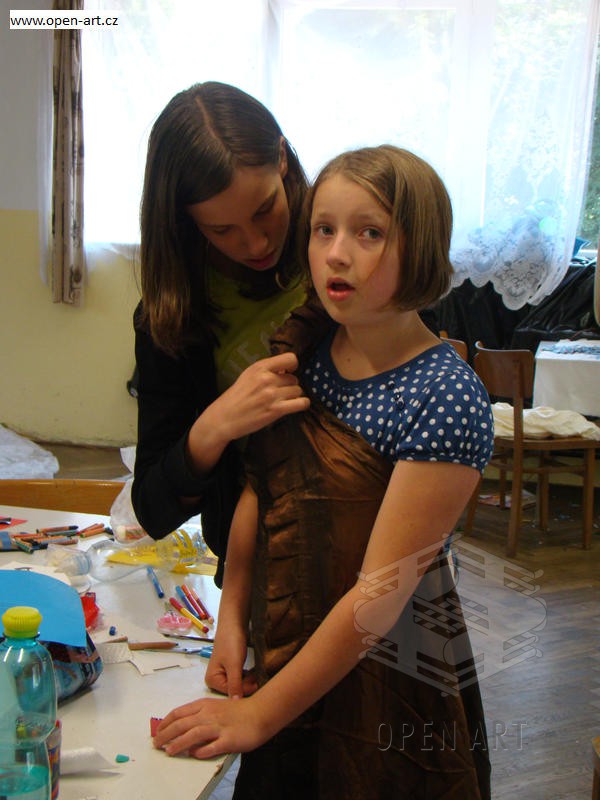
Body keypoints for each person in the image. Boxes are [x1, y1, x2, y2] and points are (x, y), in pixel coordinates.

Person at [153, 145, 494, 799]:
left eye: (369, 233)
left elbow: (380, 595)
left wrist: (258, 715)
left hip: (387, 678)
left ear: (421, 246)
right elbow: (263, 488)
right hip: (286, 642)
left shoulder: (444, 396)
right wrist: (232, 620)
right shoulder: (309, 349)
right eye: (323, 229)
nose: (337, 254)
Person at [131, 82, 311, 586]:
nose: (255, 244)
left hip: (375, 551)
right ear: (185, 221)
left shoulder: (341, 245)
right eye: (221, 230)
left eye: (264, 209)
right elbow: (153, 509)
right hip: (257, 572)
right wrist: (215, 426)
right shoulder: (172, 315)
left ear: (281, 158)